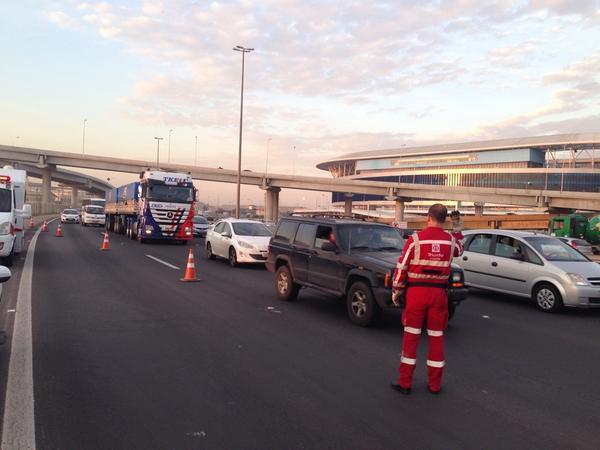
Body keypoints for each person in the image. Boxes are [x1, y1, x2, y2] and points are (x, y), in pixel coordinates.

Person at [390, 204, 464, 395]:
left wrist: (396, 290)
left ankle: (405, 383)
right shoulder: (449, 241)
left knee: (411, 337)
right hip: (439, 294)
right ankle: (434, 385)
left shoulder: (415, 240)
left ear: (428, 217)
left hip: (416, 294)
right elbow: (460, 250)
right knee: (436, 337)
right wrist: (457, 228)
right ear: (444, 219)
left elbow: (401, 267)